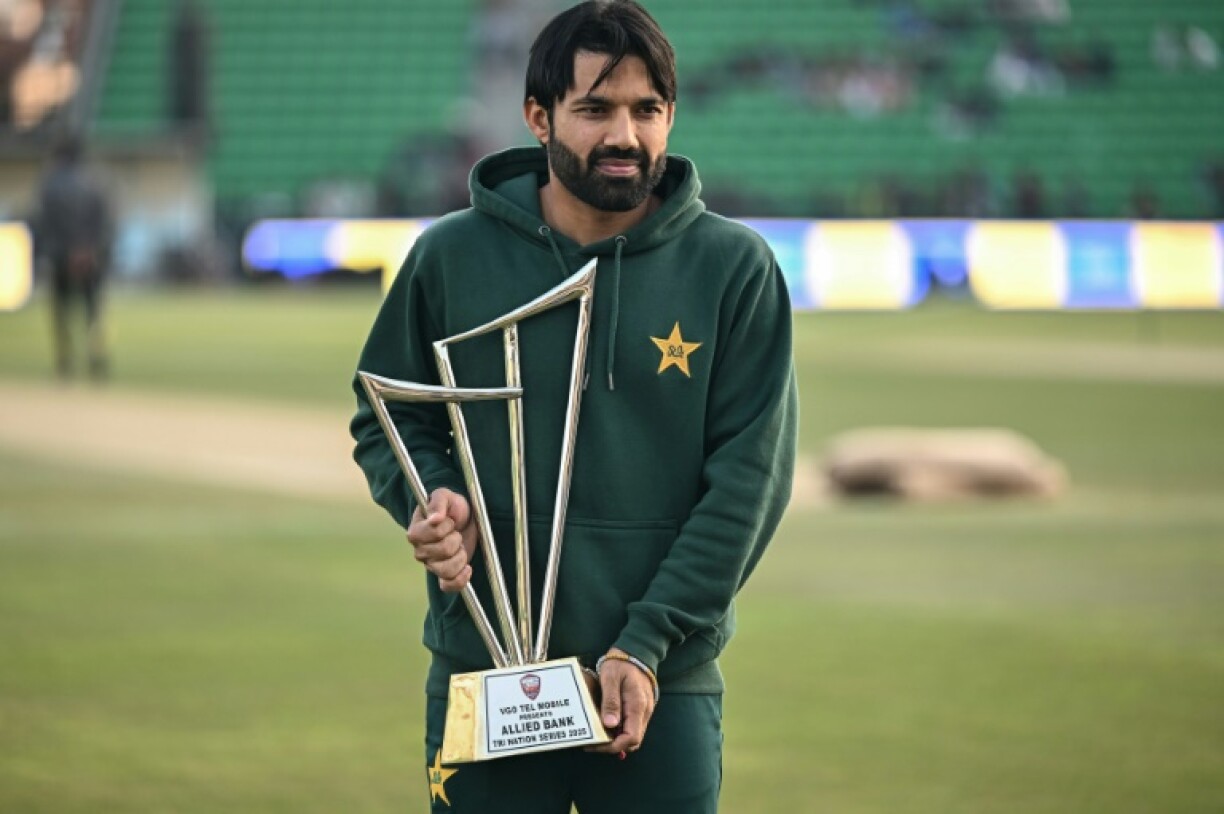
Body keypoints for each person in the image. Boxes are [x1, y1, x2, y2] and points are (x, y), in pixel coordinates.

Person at [349, 2, 797, 811]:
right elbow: (388, 413)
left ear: (670, 116)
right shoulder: (450, 256)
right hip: (489, 672)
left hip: (658, 683)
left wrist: (648, 641)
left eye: (646, 110)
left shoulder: (735, 269)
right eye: (595, 109)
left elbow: (748, 484)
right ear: (538, 117)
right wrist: (432, 496)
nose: (624, 134)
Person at [36, 133, 114, 381]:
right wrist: (88, 249)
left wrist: (64, 251)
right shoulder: (96, 181)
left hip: (60, 257)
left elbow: (45, 224)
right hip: (91, 257)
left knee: (61, 312)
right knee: (93, 312)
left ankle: (65, 361)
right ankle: (96, 358)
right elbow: (104, 222)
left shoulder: (50, 183)